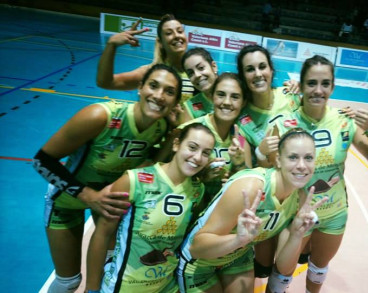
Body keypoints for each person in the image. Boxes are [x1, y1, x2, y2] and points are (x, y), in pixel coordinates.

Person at [32, 64, 182, 293]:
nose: (159, 96)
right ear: (140, 88)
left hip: (106, 206)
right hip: (66, 201)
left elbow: (147, 163)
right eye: (153, 86)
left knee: (108, 272)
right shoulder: (100, 116)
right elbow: (42, 161)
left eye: (169, 92)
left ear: (175, 102)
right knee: (68, 282)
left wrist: (172, 137)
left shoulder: (161, 127)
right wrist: (89, 196)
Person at [265, 55, 368, 292]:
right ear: (300, 86)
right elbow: (270, 173)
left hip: (334, 213)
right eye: (311, 83)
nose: (318, 90)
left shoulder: (344, 121)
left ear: (333, 87)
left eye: (325, 84)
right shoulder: (284, 124)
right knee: (282, 272)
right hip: (294, 214)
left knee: (319, 266)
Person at [176, 129, 327, 293]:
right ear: (278, 160)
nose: (301, 166)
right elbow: (196, 248)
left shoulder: (300, 198)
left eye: (308, 158)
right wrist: (238, 240)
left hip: (237, 256)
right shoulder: (252, 186)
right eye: (293, 157)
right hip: (200, 262)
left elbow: (284, 268)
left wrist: (297, 236)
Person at [85, 123, 216, 292]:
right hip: (124, 286)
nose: (198, 157)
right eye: (192, 147)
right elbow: (102, 234)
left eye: (205, 153)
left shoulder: (198, 189)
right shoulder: (134, 181)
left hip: (167, 286)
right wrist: (91, 288)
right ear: (176, 144)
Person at [178, 72, 252, 209]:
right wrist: (200, 177)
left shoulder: (241, 137)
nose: (227, 102)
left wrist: (238, 167)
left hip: (220, 212)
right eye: (221, 94)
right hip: (186, 207)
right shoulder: (192, 129)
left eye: (235, 97)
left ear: (243, 102)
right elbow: (169, 175)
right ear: (212, 97)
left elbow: (247, 182)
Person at [97, 14, 195, 103]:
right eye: (169, 33)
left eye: (180, 31)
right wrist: (111, 45)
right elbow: (105, 82)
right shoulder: (149, 73)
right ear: (160, 43)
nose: (177, 35)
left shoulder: (198, 71)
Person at [235, 45, 301, 166]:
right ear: (243, 76)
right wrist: (260, 152)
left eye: (262, 66)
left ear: (271, 70)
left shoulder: (292, 95)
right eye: (250, 69)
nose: (258, 74)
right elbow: (248, 169)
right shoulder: (241, 124)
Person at [177, 47, 219, 125]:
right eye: (191, 73)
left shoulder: (235, 95)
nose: (197, 75)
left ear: (214, 66)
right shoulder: (189, 106)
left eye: (201, 68)